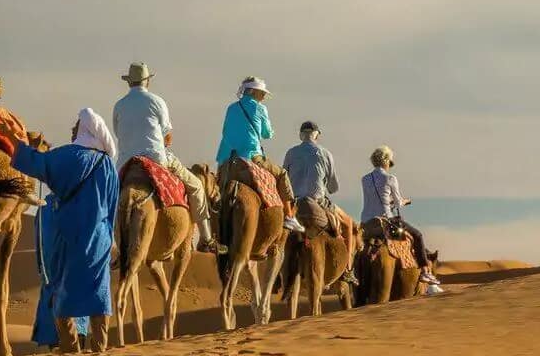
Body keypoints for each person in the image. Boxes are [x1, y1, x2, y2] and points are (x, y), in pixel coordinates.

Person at [0, 108, 118, 354]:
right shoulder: (107, 164)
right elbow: (112, 206)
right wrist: (110, 238)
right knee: (99, 293)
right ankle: (99, 348)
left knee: (63, 290)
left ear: (84, 129)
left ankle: (69, 346)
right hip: (98, 239)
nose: (73, 128)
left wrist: (13, 139)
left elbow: (35, 162)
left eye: (77, 125)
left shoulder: (63, 156)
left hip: (66, 236)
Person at [112, 62, 218, 254]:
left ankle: (115, 246)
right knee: (196, 186)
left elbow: (119, 134)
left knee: (108, 198)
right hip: (156, 158)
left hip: (125, 163)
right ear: (147, 82)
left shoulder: (119, 105)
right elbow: (167, 136)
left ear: (129, 82)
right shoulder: (157, 101)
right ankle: (206, 238)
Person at [215, 76, 304, 233]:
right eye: (261, 93)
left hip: (226, 158)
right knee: (282, 174)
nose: (263, 97)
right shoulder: (260, 109)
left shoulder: (231, 108)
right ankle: (289, 216)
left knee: (217, 190)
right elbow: (267, 134)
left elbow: (225, 130)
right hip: (250, 155)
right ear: (253, 92)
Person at [283, 121, 357, 284]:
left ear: (301, 135)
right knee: (349, 224)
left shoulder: (290, 153)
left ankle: (276, 274)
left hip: (294, 203)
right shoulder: (325, 153)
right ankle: (348, 270)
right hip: (319, 201)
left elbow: (284, 181)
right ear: (317, 135)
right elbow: (333, 188)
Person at [361, 146, 440, 285]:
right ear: (386, 161)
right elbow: (398, 203)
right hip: (385, 221)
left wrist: (388, 201)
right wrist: (406, 201)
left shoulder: (365, 179)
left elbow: (372, 199)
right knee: (417, 235)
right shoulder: (390, 178)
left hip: (366, 223)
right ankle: (425, 271)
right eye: (390, 163)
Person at [32, 192, 89, 351]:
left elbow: (39, 241)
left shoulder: (43, 207)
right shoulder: (80, 202)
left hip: (53, 276)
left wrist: (41, 269)